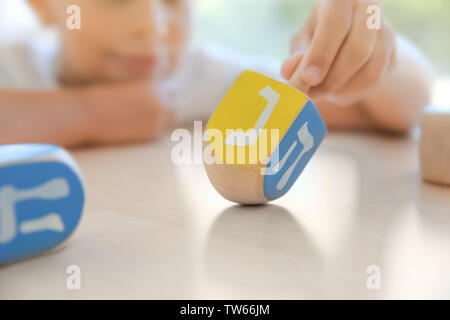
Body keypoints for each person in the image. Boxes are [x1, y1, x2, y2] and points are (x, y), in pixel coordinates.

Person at [0, 0, 433, 147]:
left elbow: (401, 110)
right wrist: (90, 114)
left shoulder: (200, 78)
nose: (152, 27)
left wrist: (366, 51)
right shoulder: (10, 62)